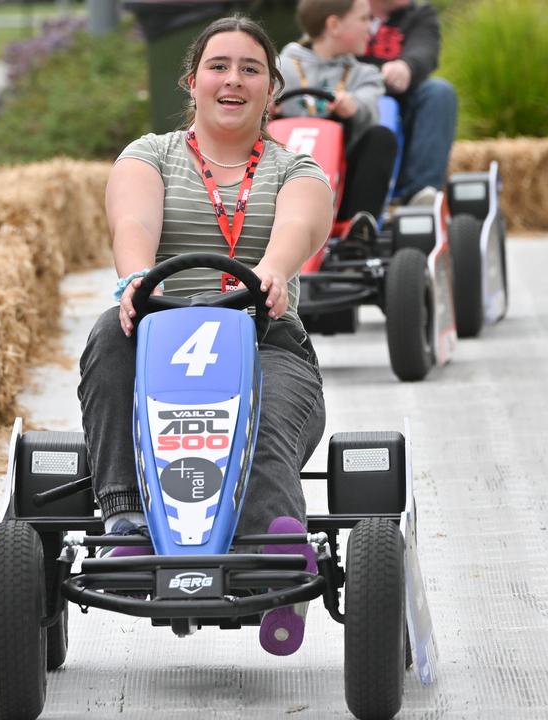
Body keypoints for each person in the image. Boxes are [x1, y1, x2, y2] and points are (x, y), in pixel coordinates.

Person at [78, 14, 333, 657]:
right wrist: (137, 278)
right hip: (159, 334)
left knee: (269, 407)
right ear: (192, 81)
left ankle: (277, 546)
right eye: (219, 66)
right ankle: (126, 516)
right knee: (111, 333)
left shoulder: (295, 169)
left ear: (271, 89)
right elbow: (132, 221)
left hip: (264, 337)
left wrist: (272, 271)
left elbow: (298, 230)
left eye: (251, 69)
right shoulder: (151, 156)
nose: (233, 80)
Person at [275, 0, 398, 223]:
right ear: (334, 25)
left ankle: (357, 226)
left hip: (340, 177)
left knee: (382, 137)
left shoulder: (365, 75)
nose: (370, 28)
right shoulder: (277, 69)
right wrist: (265, 110)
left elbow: (369, 107)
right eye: (363, 19)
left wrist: (354, 107)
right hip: (282, 171)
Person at [358, 0, 457, 206]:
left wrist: (406, 67)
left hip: (401, 101)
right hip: (351, 96)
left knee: (439, 92)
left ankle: (421, 194)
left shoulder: (420, 14)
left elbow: (424, 50)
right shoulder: (341, 9)